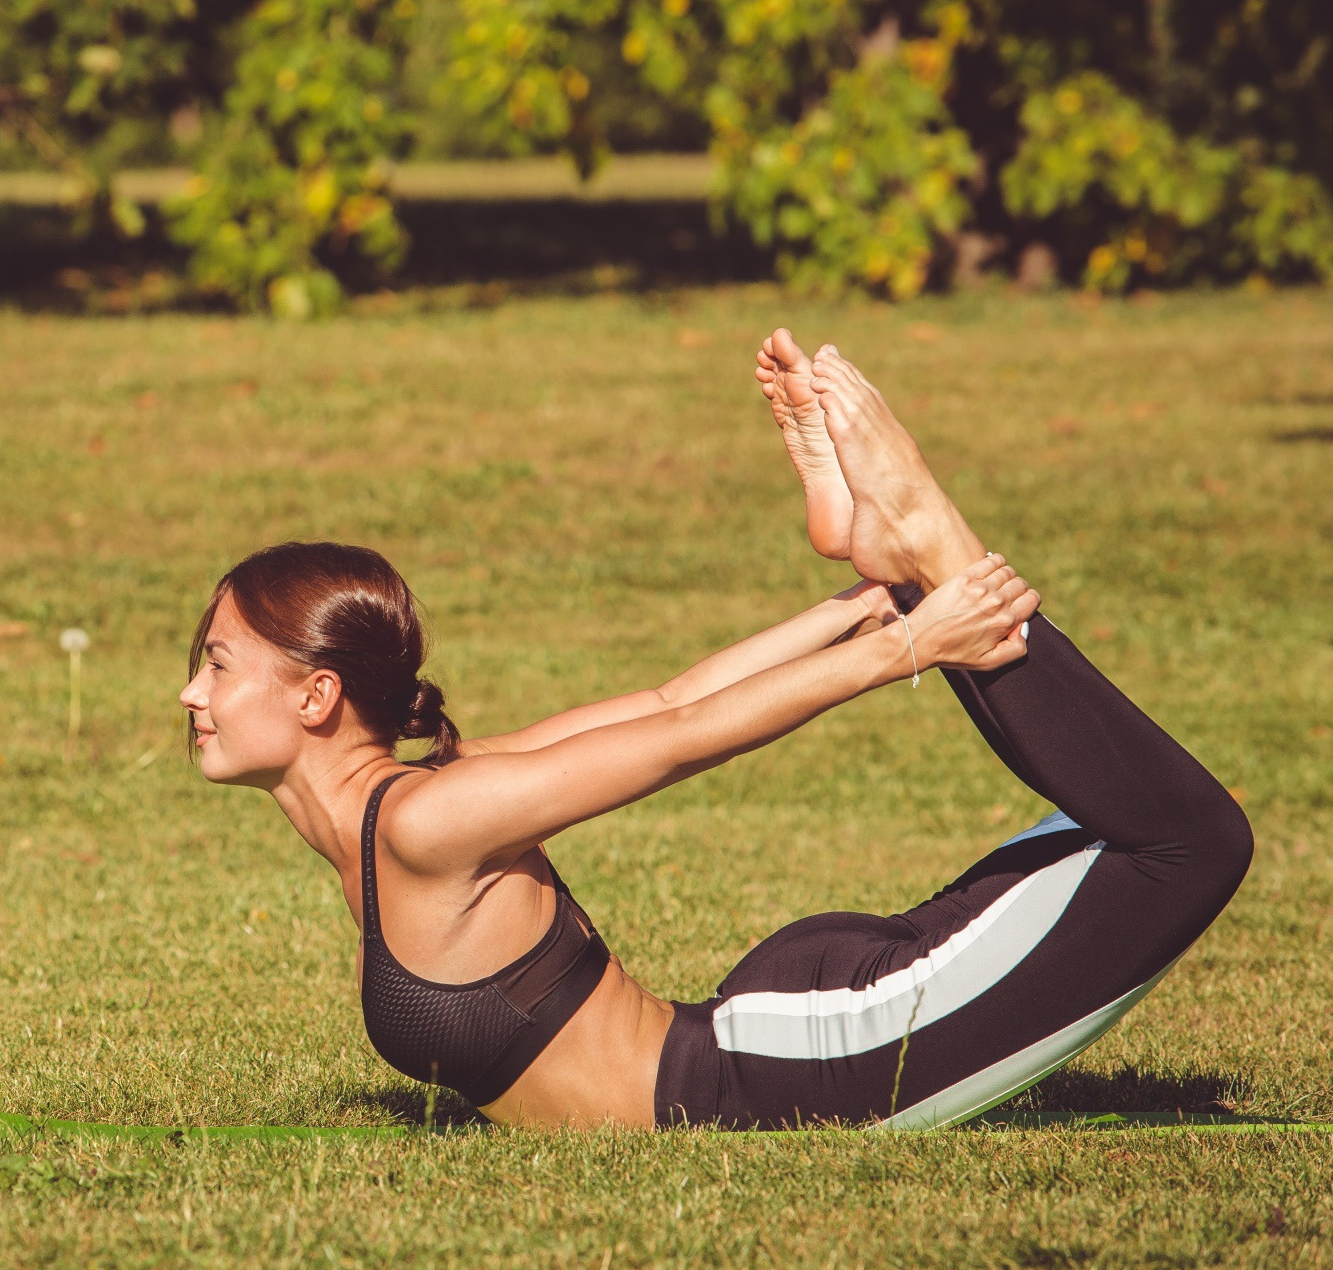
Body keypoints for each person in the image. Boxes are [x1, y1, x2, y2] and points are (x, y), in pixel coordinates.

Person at [178, 331, 1252, 1130]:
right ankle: (904, 559)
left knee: (1187, 843)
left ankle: (931, 541)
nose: (192, 693)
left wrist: (906, 645)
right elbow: (663, 699)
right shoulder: (418, 802)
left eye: (216, 663)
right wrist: (855, 609)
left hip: (808, 1068)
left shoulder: (426, 818)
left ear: (316, 697)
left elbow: (681, 736)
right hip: (771, 1039)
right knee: (1141, 835)